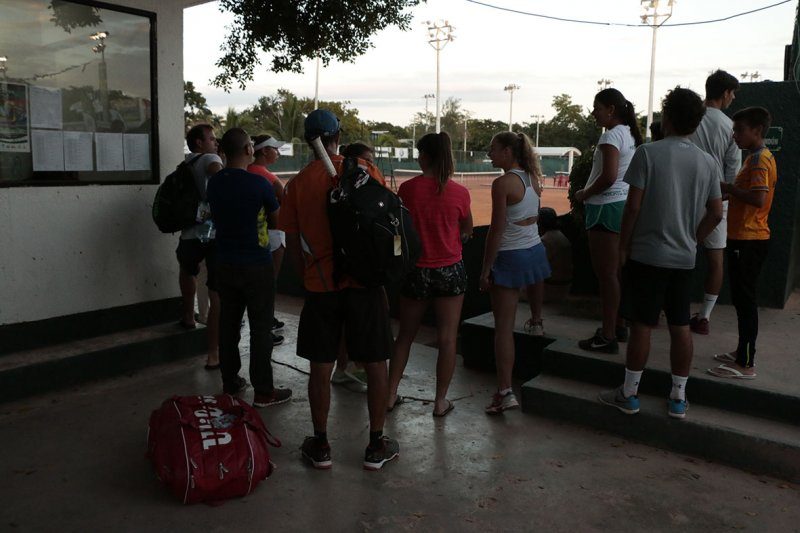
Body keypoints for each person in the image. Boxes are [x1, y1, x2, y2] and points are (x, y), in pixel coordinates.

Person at [279, 109, 399, 470]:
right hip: (364, 284)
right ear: (338, 137)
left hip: (321, 286)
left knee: (321, 364)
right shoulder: (365, 169)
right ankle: (376, 444)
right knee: (376, 362)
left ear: (307, 140)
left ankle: (320, 444)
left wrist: (308, 279)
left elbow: (292, 242)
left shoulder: (297, 184)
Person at [599, 87, 723, 420]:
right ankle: (678, 398)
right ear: (696, 122)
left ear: (666, 117)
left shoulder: (648, 154)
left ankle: (629, 394)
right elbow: (716, 213)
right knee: (680, 325)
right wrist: (693, 240)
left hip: (646, 256)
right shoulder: (707, 162)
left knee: (642, 324)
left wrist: (623, 246)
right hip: (683, 259)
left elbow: (633, 207)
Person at [388, 132, 473, 417]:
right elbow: (467, 230)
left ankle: (390, 395)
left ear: (425, 156)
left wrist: (400, 258)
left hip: (416, 270)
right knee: (448, 338)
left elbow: (398, 231)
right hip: (450, 270)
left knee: (405, 336)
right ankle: (440, 401)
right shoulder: (460, 192)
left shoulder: (408, 189)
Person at [206, 128, 292, 407]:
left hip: (224, 263)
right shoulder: (259, 184)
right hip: (256, 264)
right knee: (260, 328)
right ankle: (264, 391)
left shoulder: (215, 183)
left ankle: (230, 382)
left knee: (229, 325)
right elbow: (278, 220)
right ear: (247, 150)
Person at [480, 132, 551, 415]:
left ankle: (505, 392)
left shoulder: (502, 183)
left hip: (510, 256)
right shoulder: (534, 177)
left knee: (503, 329)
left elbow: (496, 230)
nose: (489, 153)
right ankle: (536, 320)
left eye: (493, 149)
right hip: (533, 250)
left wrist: (485, 269)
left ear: (508, 151)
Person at [707, 107, 777, 380]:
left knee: (745, 302)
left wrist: (727, 188)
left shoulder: (758, 161)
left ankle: (746, 363)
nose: (734, 135)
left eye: (739, 130)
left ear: (757, 131)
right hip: (745, 238)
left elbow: (758, 199)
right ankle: (741, 352)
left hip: (749, 239)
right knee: (741, 300)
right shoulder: (756, 157)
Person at [574, 88, 643, 354]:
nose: (594, 113)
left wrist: (584, 193)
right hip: (620, 206)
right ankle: (618, 326)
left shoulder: (611, 136)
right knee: (616, 272)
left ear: (611, 109)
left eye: (597, 108)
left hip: (605, 208)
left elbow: (608, 176)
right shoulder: (628, 133)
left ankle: (607, 335)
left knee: (607, 275)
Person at [688, 70, 742, 335]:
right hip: (716, 199)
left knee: (677, 252)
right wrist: (722, 198)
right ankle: (704, 317)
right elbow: (733, 174)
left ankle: (669, 307)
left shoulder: (689, 119)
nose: (733, 98)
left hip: (685, 197)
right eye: (732, 93)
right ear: (725, 93)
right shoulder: (731, 127)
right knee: (715, 259)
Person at [329, 142, 376, 390]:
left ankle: (345, 368)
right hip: (351, 273)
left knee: (348, 324)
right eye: (367, 160)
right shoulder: (360, 185)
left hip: (352, 272)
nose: (371, 165)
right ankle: (356, 369)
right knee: (354, 325)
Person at [179, 124, 223, 370]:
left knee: (188, 271)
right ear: (199, 142)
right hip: (211, 233)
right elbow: (219, 175)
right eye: (212, 139)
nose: (215, 143)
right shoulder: (209, 158)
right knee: (216, 293)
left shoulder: (186, 162)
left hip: (189, 232)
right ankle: (213, 353)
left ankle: (188, 315)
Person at [248, 134, 288, 346]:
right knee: (268, 284)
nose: (278, 153)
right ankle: (266, 324)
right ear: (264, 151)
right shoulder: (267, 177)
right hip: (271, 235)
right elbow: (286, 203)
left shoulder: (246, 171)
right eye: (274, 149)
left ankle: (266, 321)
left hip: (253, 235)